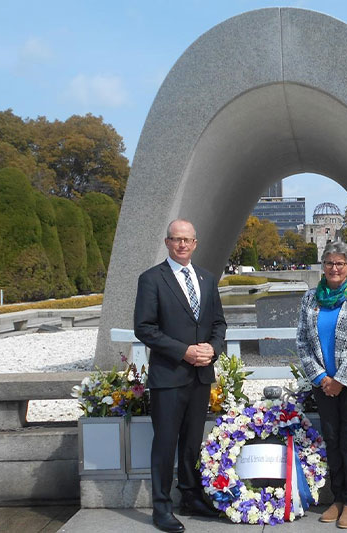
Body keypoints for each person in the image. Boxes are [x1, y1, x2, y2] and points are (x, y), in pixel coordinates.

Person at [134, 219, 227, 533]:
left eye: (187, 239)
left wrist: (212, 350)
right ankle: (162, 506)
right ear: (167, 242)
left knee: (191, 443)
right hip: (169, 376)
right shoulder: (151, 279)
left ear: (195, 243)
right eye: (176, 239)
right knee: (165, 442)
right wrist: (183, 351)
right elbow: (144, 328)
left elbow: (219, 324)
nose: (182, 245)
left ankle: (191, 496)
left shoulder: (207, 278)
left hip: (200, 376)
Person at [296, 242, 347, 529]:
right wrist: (321, 378)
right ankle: (339, 497)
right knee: (332, 439)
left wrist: (341, 380)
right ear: (323, 265)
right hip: (324, 384)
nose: (334, 268)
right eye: (329, 262)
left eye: (340, 263)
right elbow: (302, 342)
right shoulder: (309, 299)